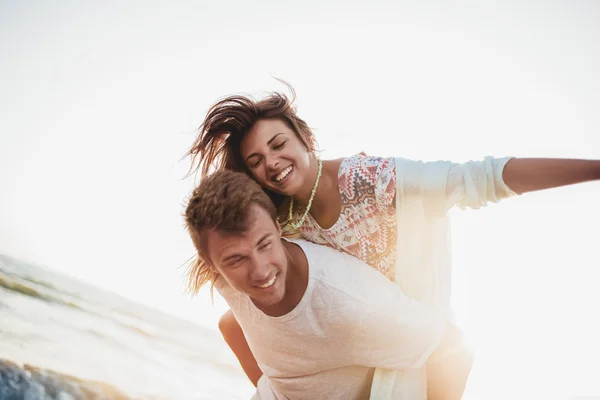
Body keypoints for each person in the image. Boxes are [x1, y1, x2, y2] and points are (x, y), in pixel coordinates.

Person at [185, 83, 600, 398]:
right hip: (355, 344)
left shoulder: (370, 179)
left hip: (418, 342)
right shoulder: (281, 218)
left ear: (304, 138)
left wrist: (593, 169)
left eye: (278, 145)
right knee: (230, 323)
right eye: (256, 161)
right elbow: (236, 315)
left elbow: (480, 178)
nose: (271, 164)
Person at [184, 170, 472, 400]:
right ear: (212, 264)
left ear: (277, 227)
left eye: (265, 244)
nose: (260, 271)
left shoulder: (351, 301)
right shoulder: (225, 281)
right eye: (237, 260)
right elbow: (231, 325)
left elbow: (452, 351)